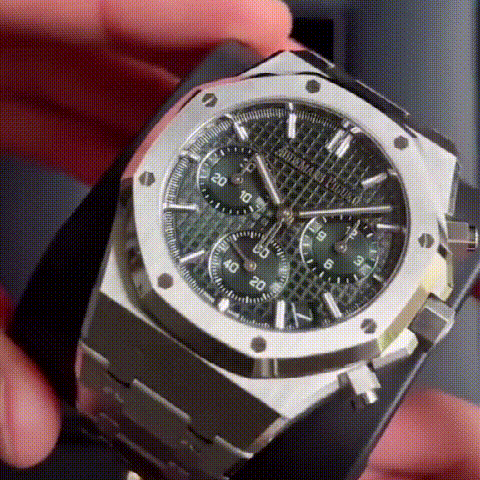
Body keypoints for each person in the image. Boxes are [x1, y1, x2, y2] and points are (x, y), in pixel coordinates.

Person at [0, 1, 479, 478]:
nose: (287, 216)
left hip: (253, 369)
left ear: (426, 312)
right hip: (148, 289)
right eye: (285, 206)